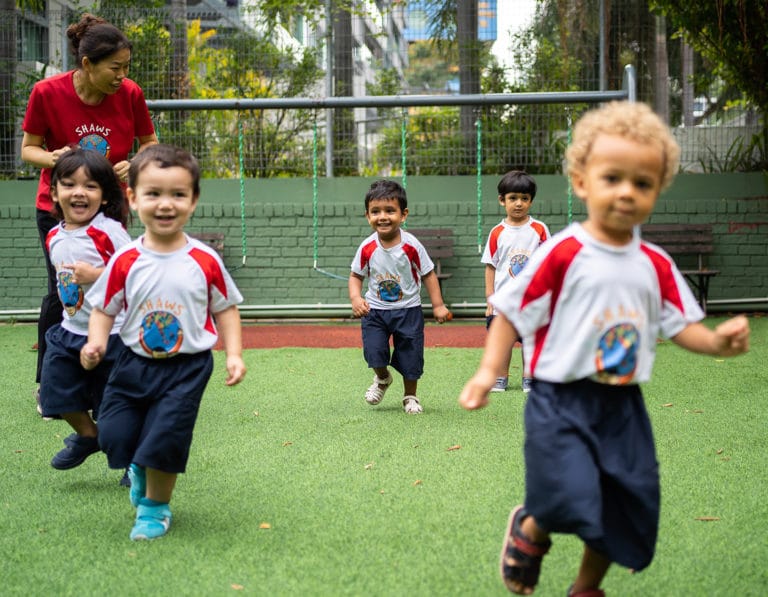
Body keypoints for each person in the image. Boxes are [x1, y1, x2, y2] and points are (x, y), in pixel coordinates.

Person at [458, 101, 750, 596]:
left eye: (643, 183)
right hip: (559, 399)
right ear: (581, 181)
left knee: (623, 501)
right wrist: (488, 371)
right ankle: (531, 527)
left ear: (657, 190)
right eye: (612, 178)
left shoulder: (654, 264)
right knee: (563, 492)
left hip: (622, 404)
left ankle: (586, 586)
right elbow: (509, 309)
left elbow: (682, 326)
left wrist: (717, 342)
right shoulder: (563, 251)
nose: (626, 192)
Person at [80, 144, 246, 541]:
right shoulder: (125, 260)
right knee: (113, 435)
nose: (165, 204)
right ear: (134, 198)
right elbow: (103, 308)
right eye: (153, 193)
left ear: (193, 200)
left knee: (166, 438)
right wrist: (95, 344)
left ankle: (155, 508)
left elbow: (226, 308)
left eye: (177, 194)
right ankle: (138, 465)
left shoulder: (205, 259)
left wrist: (234, 354)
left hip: (187, 367)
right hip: (132, 364)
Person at [21, 12, 158, 414]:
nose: (122, 76)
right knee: (62, 292)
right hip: (58, 209)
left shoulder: (130, 94)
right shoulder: (47, 92)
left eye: (126, 67)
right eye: (115, 68)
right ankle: (51, 382)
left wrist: (136, 162)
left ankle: (112, 377)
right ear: (87, 64)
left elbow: (150, 143)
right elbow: (28, 149)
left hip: (110, 208)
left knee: (113, 283)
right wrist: (54, 158)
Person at [39, 149, 131, 473]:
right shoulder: (54, 235)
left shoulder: (108, 232)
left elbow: (135, 272)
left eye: (90, 186)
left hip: (113, 335)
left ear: (104, 196)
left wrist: (96, 275)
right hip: (70, 331)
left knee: (115, 410)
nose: (79, 192)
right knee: (54, 393)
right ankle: (89, 436)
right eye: (69, 184)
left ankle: (133, 465)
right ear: (54, 192)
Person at [349, 179, 451, 415]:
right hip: (375, 311)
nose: (383, 217)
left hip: (409, 311)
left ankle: (410, 396)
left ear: (403, 215)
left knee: (410, 357)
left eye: (390, 211)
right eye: (376, 211)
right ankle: (382, 378)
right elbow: (356, 275)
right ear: (367, 216)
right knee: (374, 352)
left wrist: (438, 305)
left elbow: (428, 274)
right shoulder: (367, 247)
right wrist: (355, 298)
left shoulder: (411, 245)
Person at [481, 170, 549, 394]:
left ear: (531, 201)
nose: (519, 203)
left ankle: (529, 379)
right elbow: (491, 266)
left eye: (524, 198)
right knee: (503, 341)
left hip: (532, 300)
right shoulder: (497, 232)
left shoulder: (539, 229)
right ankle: (501, 378)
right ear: (502, 200)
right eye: (513, 198)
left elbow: (547, 263)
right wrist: (490, 298)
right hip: (504, 302)